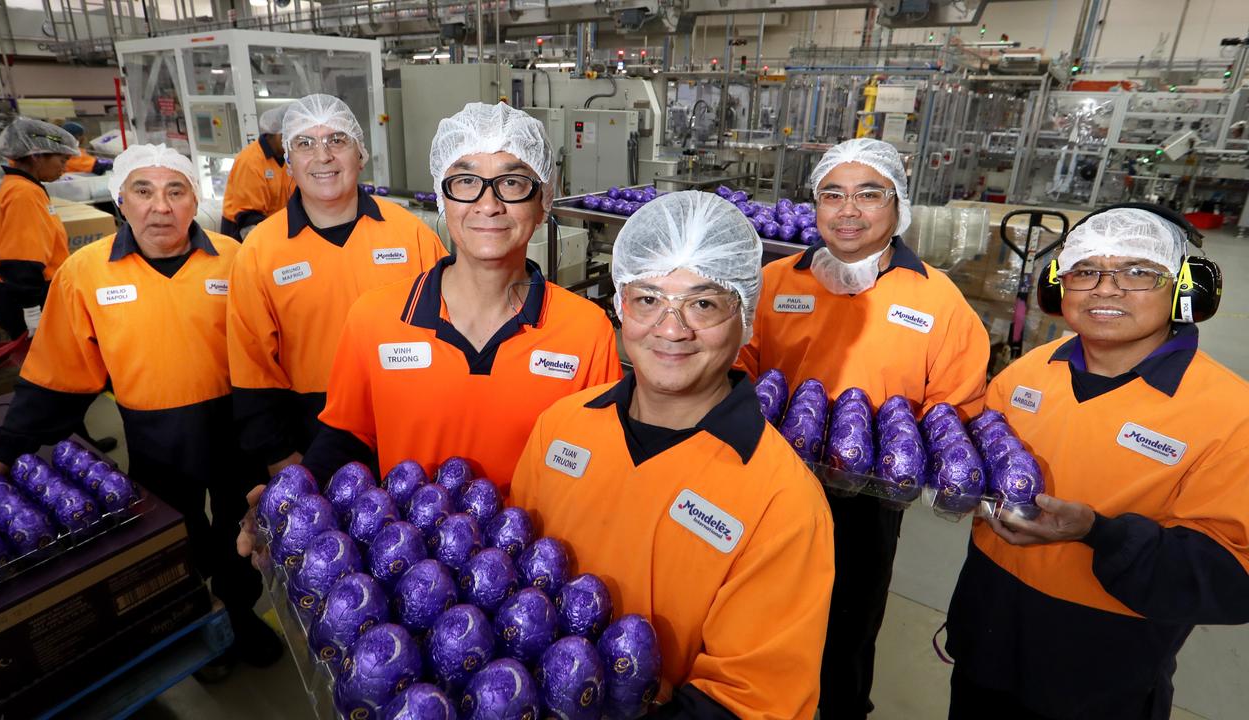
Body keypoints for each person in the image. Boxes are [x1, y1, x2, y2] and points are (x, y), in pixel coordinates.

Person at [510, 190, 834, 718]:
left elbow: (745, 703)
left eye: (703, 303)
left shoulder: (783, 503)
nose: (671, 328)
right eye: (647, 299)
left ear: (746, 318)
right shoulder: (561, 428)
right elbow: (516, 573)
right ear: (619, 307)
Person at [0, 144, 281, 676]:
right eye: (143, 191)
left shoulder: (235, 260)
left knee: (241, 528)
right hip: (155, 436)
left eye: (175, 191)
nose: (159, 207)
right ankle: (199, 625)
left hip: (236, 429)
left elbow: (271, 348)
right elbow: (56, 371)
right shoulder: (86, 273)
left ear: (195, 200)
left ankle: (240, 614)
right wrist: (7, 450)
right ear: (121, 201)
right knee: (175, 539)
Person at [945, 206, 1249, 720]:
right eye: (1085, 271)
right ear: (1057, 287)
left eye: (1137, 271)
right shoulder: (1027, 373)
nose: (1105, 289)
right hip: (984, 648)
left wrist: (1098, 534)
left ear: (1185, 288)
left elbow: (1230, 580)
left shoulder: (1229, 414)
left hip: (1099, 679)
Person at [737, 138, 990, 719]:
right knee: (757, 610)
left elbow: (956, 412)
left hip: (867, 504)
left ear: (898, 206)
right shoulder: (774, 281)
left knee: (847, 624)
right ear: (815, 206)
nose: (848, 210)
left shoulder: (938, 300)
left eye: (868, 194)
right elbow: (735, 366)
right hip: (764, 484)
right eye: (833, 195)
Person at [298, 101, 621, 489]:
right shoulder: (375, 319)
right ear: (442, 197)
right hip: (407, 549)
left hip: (535, 549)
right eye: (466, 181)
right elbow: (346, 439)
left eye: (512, 182)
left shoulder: (586, 333)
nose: (488, 204)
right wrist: (286, 503)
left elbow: (596, 467)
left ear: (543, 202)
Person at [227, 94, 446, 479]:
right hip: (310, 434)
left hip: (409, 423)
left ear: (359, 155)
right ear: (288, 164)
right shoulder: (260, 250)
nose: (323, 155)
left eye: (337, 140)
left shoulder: (410, 233)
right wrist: (279, 455)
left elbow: (451, 329)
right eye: (305, 144)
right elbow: (252, 366)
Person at [0, 118, 79, 341]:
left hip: (22, 291)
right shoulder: (23, 194)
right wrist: (32, 312)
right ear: (36, 155)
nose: (64, 169)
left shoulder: (20, 186)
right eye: (62, 160)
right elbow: (20, 262)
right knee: (43, 366)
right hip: (26, 296)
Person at [220, 105, 294, 239]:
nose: (291, 144)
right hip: (243, 232)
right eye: (287, 138)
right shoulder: (250, 161)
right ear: (276, 133)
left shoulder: (289, 158)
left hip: (276, 227)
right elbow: (248, 218)